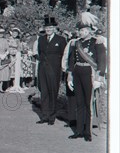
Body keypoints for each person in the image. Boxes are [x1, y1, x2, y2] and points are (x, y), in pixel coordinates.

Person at [67, 12, 106, 141]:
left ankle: (87, 132)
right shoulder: (75, 43)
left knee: (88, 103)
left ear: (89, 30)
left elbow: (102, 60)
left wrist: (99, 78)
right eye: (79, 30)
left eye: (83, 30)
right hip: (77, 72)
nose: (80, 32)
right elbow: (71, 61)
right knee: (79, 103)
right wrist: (70, 76)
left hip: (90, 73)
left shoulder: (97, 42)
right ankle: (78, 130)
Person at [36, 16, 67, 125]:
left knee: (53, 92)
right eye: (46, 27)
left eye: (50, 27)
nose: (48, 29)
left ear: (54, 28)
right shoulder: (41, 39)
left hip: (54, 70)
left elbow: (64, 55)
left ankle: (51, 117)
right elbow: (40, 53)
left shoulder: (61, 39)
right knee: (44, 92)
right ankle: (44, 116)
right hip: (43, 69)